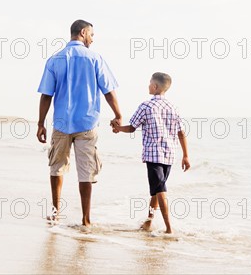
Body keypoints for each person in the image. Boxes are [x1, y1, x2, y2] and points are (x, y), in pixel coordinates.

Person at [36, 19, 122, 228]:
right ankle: (86, 219)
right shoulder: (95, 58)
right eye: (91, 35)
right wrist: (118, 115)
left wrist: (41, 123)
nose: (92, 39)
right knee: (86, 171)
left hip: (61, 124)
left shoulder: (55, 59)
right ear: (83, 33)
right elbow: (108, 90)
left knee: (57, 167)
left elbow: (47, 95)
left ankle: (56, 213)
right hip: (87, 123)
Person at [111, 72, 190, 234]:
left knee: (160, 188)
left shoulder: (146, 106)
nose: (148, 86)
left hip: (153, 155)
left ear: (155, 87)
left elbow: (132, 127)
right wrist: (186, 155)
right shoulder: (173, 107)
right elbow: (181, 133)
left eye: (149, 83)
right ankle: (149, 221)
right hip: (169, 155)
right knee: (157, 189)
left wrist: (118, 128)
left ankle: (169, 227)